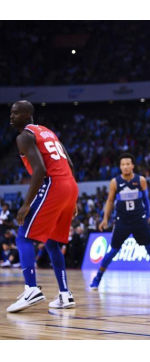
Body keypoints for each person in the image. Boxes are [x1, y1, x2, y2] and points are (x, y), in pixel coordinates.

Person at [7, 100, 78, 313]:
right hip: (70, 185)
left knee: (23, 237)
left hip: (53, 184)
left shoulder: (24, 137)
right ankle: (65, 294)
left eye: (16, 113)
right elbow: (70, 163)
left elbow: (39, 170)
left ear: (27, 116)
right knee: (51, 241)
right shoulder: (48, 132)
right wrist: (74, 199)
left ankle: (31, 289)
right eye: (11, 112)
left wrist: (26, 204)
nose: (11, 116)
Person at [90, 153, 150, 290]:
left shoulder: (140, 180)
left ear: (132, 166)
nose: (125, 167)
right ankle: (97, 278)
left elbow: (146, 201)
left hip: (139, 220)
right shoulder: (115, 182)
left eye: (127, 164)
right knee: (113, 250)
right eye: (122, 164)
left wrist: (147, 215)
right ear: (120, 166)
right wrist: (105, 218)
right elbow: (109, 201)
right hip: (122, 221)